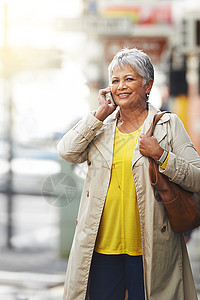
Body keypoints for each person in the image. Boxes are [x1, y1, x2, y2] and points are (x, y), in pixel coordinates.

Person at [57, 48, 200, 300]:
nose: (120, 86)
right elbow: (67, 151)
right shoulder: (100, 128)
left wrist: (162, 156)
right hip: (102, 248)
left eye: (129, 79)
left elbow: (197, 178)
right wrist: (99, 115)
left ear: (148, 85)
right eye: (115, 80)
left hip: (150, 248)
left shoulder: (167, 125)